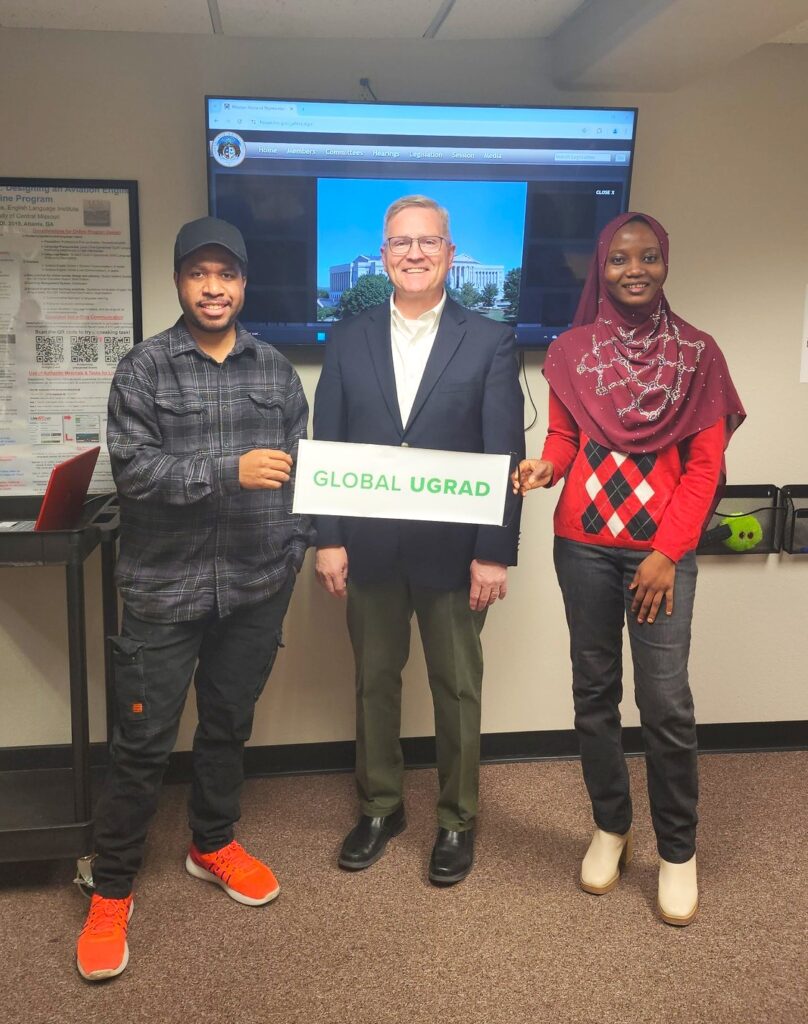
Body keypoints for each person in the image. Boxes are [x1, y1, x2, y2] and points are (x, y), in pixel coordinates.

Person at [76, 216, 313, 981]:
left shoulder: (276, 370)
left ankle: (212, 842)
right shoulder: (144, 369)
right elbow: (136, 474)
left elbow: (306, 473)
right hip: (162, 591)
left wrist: (294, 550)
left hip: (254, 585)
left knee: (227, 726)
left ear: (245, 283)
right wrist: (228, 469)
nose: (214, 288)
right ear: (180, 282)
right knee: (141, 746)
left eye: (228, 274)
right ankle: (111, 887)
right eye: (199, 274)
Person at [515, 211, 744, 926]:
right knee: (594, 693)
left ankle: (678, 851)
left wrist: (666, 554)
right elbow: (563, 435)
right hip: (581, 544)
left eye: (648, 257)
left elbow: (706, 469)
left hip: (659, 557)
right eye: (619, 259)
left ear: (665, 264)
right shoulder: (572, 351)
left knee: (666, 702)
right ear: (601, 270)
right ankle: (611, 826)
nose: (634, 269)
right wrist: (546, 466)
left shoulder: (700, 355)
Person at [313, 195, 524, 885]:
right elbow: (331, 441)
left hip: (457, 554)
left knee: (456, 688)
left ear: (449, 251)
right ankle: (380, 807)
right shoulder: (346, 337)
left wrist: (494, 551)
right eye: (400, 242)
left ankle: (458, 819)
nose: (413, 253)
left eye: (427, 241)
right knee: (374, 681)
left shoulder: (490, 340)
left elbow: (502, 454)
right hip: (368, 548)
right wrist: (329, 537)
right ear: (382, 254)